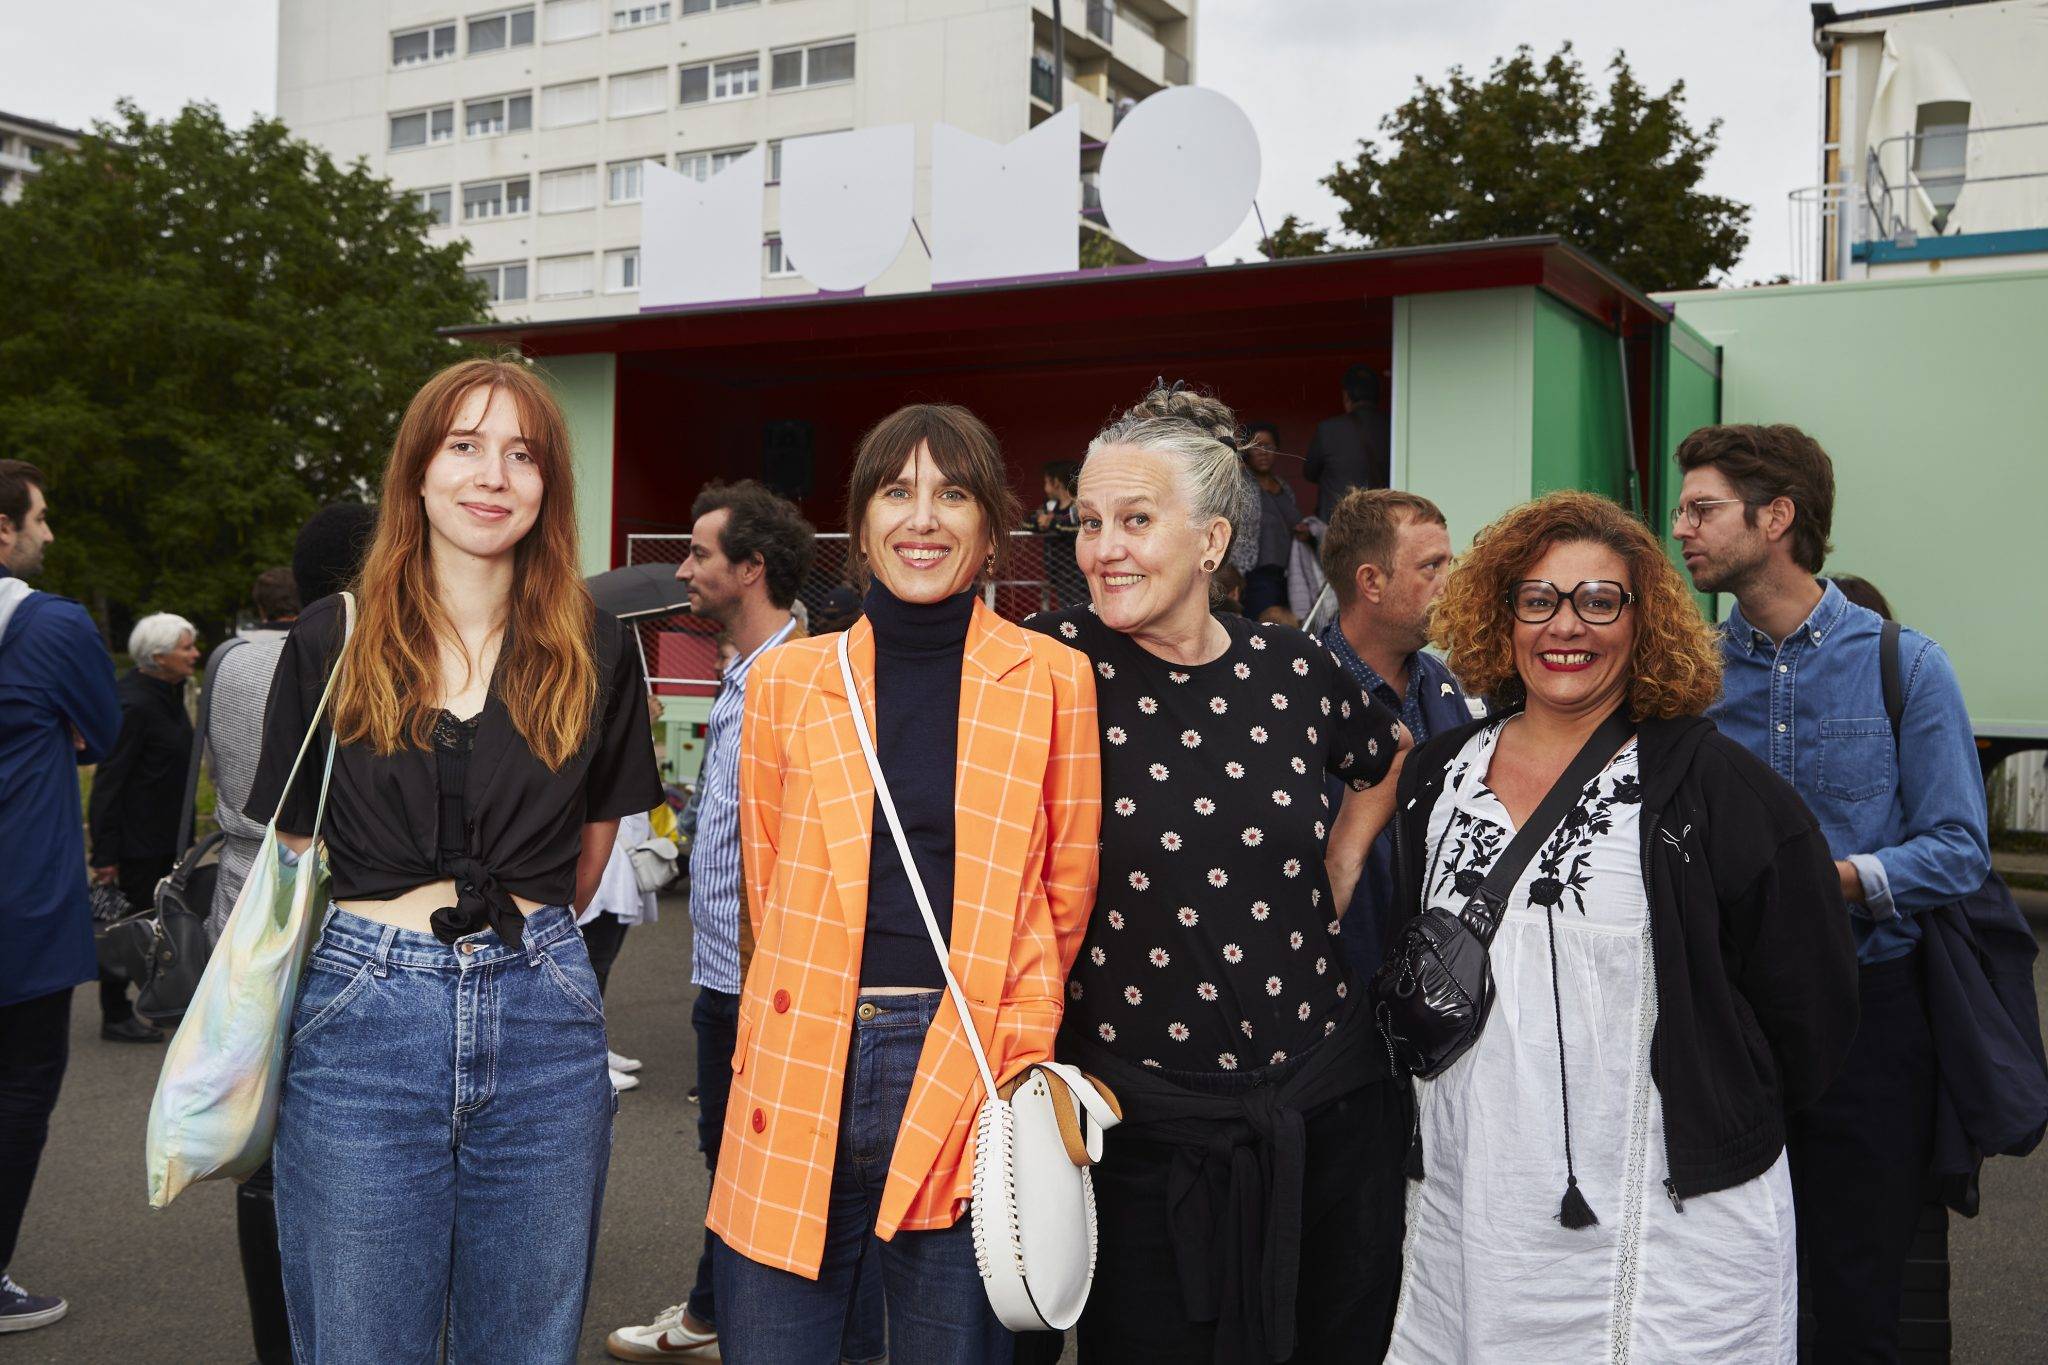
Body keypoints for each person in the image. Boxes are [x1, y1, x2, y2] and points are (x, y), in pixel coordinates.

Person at [246, 357, 664, 1362]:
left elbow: (585, 858)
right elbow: (294, 857)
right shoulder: (332, 638)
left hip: (545, 1020)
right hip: (361, 1023)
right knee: (359, 1342)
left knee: (523, 1343)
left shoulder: (597, 646)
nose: (493, 475)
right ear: (418, 474)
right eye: (465, 447)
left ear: (548, 485)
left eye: (522, 455)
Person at [1383, 490, 1860, 1362]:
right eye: (1539, 599)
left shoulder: (1719, 793)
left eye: (1600, 600)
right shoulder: (1439, 777)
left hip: (1667, 1223)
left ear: (1645, 623)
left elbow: (1811, 1004)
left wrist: (1719, 1113)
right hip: (1475, 1204)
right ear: (1505, 613)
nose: (1567, 625)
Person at [706, 404, 1100, 1365]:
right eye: (897, 491)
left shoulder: (1055, 678)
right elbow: (766, 879)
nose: (922, 518)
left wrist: (1015, 1051)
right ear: (862, 520)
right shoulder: (790, 682)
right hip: (802, 1051)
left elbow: (1064, 890)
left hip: (966, 1057)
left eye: (952, 493)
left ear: (990, 527)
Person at [1023, 386, 1409, 1364]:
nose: (1102, 547)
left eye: (1135, 521)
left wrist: (1340, 863)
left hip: (1324, 1114)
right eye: (1088, 522)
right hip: (1140, 1132)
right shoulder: (1052, 667)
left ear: (1211, 542)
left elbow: (1386, 751)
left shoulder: (1294, 667)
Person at [1673, 423, 1990, 1362]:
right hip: (1723, 1026)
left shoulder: (1907, 665)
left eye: (1702, 508)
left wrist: (1836, 881)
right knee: (1722, 1286)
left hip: (1870, 1024)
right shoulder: (1685, 678)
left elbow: (1960, 849)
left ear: (1776, 518)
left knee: (1857, 1297)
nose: (1680, 527)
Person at [608, 479, 823, 1363]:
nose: (684, 569)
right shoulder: (744, 671)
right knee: (732, 1162)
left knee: (750, 1165)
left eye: (700, 554)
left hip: (764, 983)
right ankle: (721, 1311)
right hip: (721, 973)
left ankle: (717, 1318)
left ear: (752, 568)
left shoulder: (804, 677)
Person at [202, 508, 372, 1365]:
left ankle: (279, 1334)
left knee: (254, 1124)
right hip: (312, 897)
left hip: (238, 884)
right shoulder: (341, 654)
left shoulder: (230, 657)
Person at [0, 459, 120, 1334]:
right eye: (38, 518)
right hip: (21, 897)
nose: (48, 533)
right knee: (22, 1085)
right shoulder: (50, 624)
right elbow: (102, 730)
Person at [1316, 488, 1476, 981]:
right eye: (1432, 567)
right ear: (1371, 582)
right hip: (1340, 994)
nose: (1451, 585)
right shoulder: (1297, 694)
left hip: (1439, 991)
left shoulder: (1447, 686)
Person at [87, 611, 201, 1042]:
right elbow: (109, 782)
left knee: (160, 925)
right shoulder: (132, 702)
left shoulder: (169, 693)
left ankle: (157, 1002)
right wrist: (105, 855)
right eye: (186, 647)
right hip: (135, 841)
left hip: (165, 837)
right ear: (158, 656)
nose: (195, 654)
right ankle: (115, 1015)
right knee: (128, 927)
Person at [1240, 421, 1308, 620]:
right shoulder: (1241, 484)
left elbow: (1294, 522)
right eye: (1256, 446)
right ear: (1247, 450)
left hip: (1288, 575)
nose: (1263, 452)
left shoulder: (1284, 487)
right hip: (1255, 575)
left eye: (1269, 447)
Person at [1302, 363, 1389, 517]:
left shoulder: (1327, 429)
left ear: (1346, 396)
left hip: (1338, 522)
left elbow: (1309, 472)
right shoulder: (1393, 428)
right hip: (1380, 521)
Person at [1033, 458, 1086, 609]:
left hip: (1077, 571)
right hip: (1057, 570)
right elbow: (1028, 522)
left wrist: (1053, 524)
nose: (1045, 487)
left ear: (1056, 482)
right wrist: (1040, 523)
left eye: (1046, 482)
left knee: (1080, 607)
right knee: (1066, 608)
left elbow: (1078, 529)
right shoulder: (1049, 507)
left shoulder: (1078, 506)